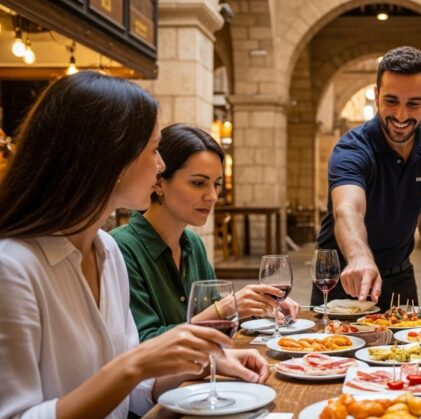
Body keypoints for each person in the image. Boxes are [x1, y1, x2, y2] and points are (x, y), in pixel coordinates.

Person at [0, 72, 270, 419]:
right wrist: (136, 363)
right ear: (110, 157)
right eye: (154, 149)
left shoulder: (106, 252)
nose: (160, 165)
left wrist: (205, 363)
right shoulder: (13, 267)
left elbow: (136, 392)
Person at [111, 124, 300, 342]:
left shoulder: (193, 244)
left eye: (216, 184)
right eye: (198, 183)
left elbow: (216, 318)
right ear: (159, 183)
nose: (212, 196)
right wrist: (225, 308)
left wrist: (259, 305)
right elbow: (142, 343)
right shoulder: (120, 248)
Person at [314, 46, 421, 310]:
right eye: (391, 101)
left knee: (410, 339)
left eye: (413, 103)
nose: (401, 115)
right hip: (345, 278)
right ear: (376, 96)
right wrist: (359, 257)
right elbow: (347, 208)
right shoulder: (351, 149)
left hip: (400, 276)